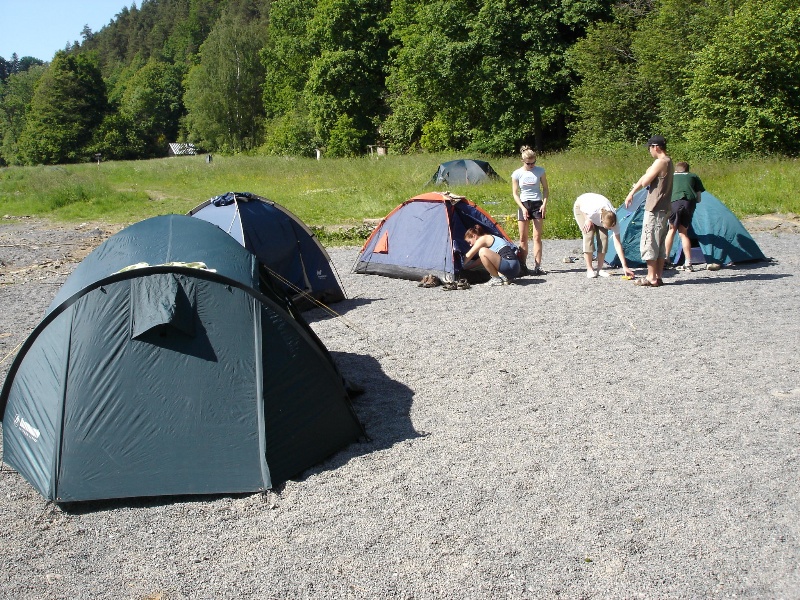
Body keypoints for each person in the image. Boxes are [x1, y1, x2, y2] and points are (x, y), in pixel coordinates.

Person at [624, 135, 673, 287]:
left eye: (650, 148)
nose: (649, 151)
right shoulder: (669, 161)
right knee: (659, 244)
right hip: (664, 208)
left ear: (656, 147)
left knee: (649, 242)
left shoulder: (660, 162)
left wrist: (649, 171)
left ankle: (650, 277)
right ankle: (658, 276)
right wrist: (632, 193)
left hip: (655, 208)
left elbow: (646, 180)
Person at [573, 193, 636, 279]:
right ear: (601, 221)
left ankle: (600, 269)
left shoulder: (614, 220)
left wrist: (624, 266)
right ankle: (589, 269)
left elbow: (618, 244)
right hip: (582, 207)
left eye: (611, 228)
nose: (610, 229)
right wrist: (588, 219)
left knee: (604, 238)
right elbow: (582, 207)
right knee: (589, 234)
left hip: (597, 212)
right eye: (608, 228)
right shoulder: (593, 212)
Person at [511, 145, 549, 275]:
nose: (532, 165)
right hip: (524, 204)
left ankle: (538, 266)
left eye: (533, 163)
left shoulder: (540, 171)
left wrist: (544, 204)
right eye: (529, 163)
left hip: (537, 203)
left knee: (537, 237)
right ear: (523, 161)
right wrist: (522, 207)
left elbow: (545, 188)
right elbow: (515, 193)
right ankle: (523, 266)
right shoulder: (517, 173)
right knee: (523, 238)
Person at [664, 161, 705, 272]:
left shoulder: (670, 177)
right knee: (683, 232)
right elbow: (699, 198)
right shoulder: (693, 176)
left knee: (672, 230)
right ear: (687, 169)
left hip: (674, 202)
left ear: (676, 170)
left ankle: (666, 260)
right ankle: (688, 263)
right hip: (689, 203)